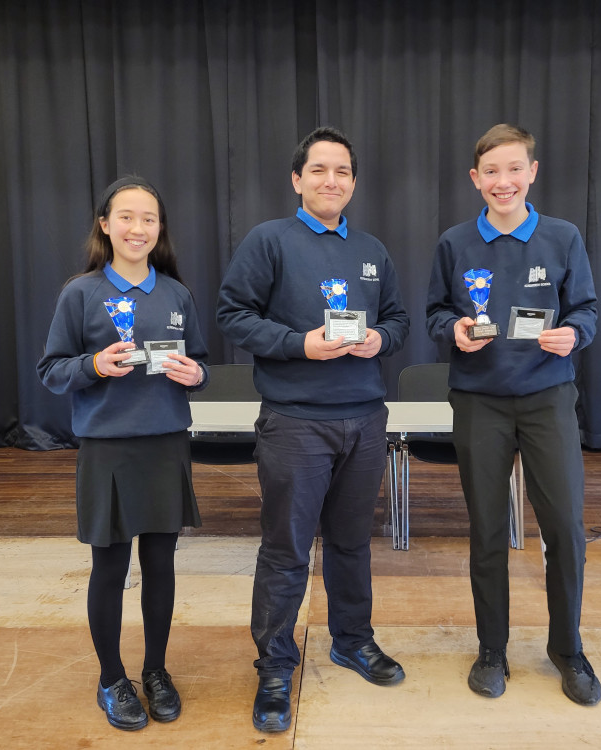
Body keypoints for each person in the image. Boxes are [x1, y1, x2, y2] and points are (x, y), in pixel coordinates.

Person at [216, 126, 410, 733]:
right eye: (320, 170)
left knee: (353, 545)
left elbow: (400, 320)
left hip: (364, 417)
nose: (333, 181)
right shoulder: (268, 241)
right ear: (297, 180)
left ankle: (352, 639)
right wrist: (299, 344)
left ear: (354, 182)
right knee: (286, 551)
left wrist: (382, 338)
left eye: (343, 172)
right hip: (295, 422)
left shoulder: (374, 250)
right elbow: (231, 315)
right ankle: (275, 664)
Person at [425, 124, 601, 706]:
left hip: (549, 397)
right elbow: (434, 314)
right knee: (488, 531)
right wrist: (451, 330)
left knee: (565, 529)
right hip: (479, 400)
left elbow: (588, 310)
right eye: (491, 172)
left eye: (514, 169)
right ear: (476, 180)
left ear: (533, 172)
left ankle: (568, 648)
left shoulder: (562, 236)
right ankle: (492, 648)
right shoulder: (454, 242)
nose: (504, 182)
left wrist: (573, 334)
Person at [37, 176, 209, 731]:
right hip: (107, 450)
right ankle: (112, 676)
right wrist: (92, 366)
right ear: (105, 225)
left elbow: (200, 364)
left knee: (161, 566)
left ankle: (156, 670)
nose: (139, 228)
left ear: (160, 230)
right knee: (109, 568)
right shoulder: (80, 293)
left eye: (150, 219)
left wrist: (196, 373)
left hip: (165, 445)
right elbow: (51, 370)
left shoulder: (176, 293)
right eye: (127, 217)